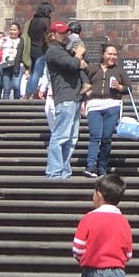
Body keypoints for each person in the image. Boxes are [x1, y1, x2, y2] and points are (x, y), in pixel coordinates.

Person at [44, 20, 86, 179]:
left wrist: (78, 60)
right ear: (53, 35)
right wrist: (78, 56)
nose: (66, 35)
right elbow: (72, 64)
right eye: (62, 33)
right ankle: (54, 172)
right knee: (61, 135)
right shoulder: (53, 50)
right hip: (65, 96)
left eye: (67, 32)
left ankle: (64, 170)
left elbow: (81, 66)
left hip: (75, 96)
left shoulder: (63, 50)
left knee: (71, 138)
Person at [83, 44, 128, 178]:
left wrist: (120, 87)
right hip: (94, 105)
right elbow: (85, 84)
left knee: (106, 137)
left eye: (114, 55)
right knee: (95, 135)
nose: (112, 57)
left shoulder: (119, 70)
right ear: (103, 54)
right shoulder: (92, 69)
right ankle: (91, 165)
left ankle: (102, 166)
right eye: (109, 54)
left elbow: (128, 88)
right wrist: (84, 100)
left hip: (112, 105)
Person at [25, 2, 54, 97]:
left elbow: (29, 33)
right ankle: (33, 92)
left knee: (33, 71)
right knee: (37, 72)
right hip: (41, 48)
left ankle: (27, 92)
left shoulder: (33, 20)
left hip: (32, 48)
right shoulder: (45, 20)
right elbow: (48, 34)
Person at [0, 21, 24, 97]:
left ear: (19, 31)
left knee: (16, 86)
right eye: (11, 29)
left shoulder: (21, 40)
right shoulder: (3, 39)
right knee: (6, 89)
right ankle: (5, 108)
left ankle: (17, 106)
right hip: (5, 66)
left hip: (17, 66)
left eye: (14, 30)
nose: (12, 31)